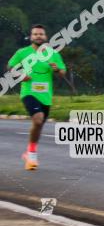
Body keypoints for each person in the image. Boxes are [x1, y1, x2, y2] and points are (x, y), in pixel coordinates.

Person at [7, 25, 66, 170]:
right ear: (31, 37)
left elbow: (62, 72)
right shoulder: (23, 52)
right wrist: (20, 75)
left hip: (46, 96)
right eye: (35, 34)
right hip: (29, 93)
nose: (38, 36)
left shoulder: (53, 54)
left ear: (45, 37)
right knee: (38, 118)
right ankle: (32, 155)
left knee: (39, 125)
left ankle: (29, 151)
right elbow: (10, 66)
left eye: (41, 34)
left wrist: (57, 69)